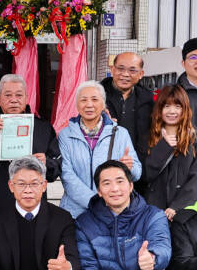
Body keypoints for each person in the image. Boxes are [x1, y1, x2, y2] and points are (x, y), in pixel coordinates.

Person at [0, 74, 61, 223]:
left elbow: (56, 168)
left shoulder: (42, 127)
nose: (13, 100)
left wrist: (46, 162)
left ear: (26, 98)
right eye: (8, 95)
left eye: (19, 95)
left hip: (33, 206)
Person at [58, 80, 141, 218]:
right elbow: (67, 176)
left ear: (103, 104)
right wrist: (96, 202)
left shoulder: (120, 134)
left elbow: (137, 174)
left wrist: (130, 167)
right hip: (74, 213)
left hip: (112, 212)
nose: (89, 104)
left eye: (95, 99)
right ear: (77, 104)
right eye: (83, 100)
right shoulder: (65, 135)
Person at [143, 84, 197, 221]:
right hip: (153, 210)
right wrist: (164, 147)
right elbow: (145, 174)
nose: (172, 111)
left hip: (183, 211)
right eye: (167, 106)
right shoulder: (149, 136)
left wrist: (176, 206)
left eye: (178, 106)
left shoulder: (195, 138)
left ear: (185, 109)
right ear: (160, 109)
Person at [101, 52, 154, 186]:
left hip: (138, 172)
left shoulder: (148, 100)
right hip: (105, 171)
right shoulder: (98, 96)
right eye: (120, 68)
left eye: (132, 70)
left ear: (141, 74)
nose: (125, 74)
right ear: (112, 69)